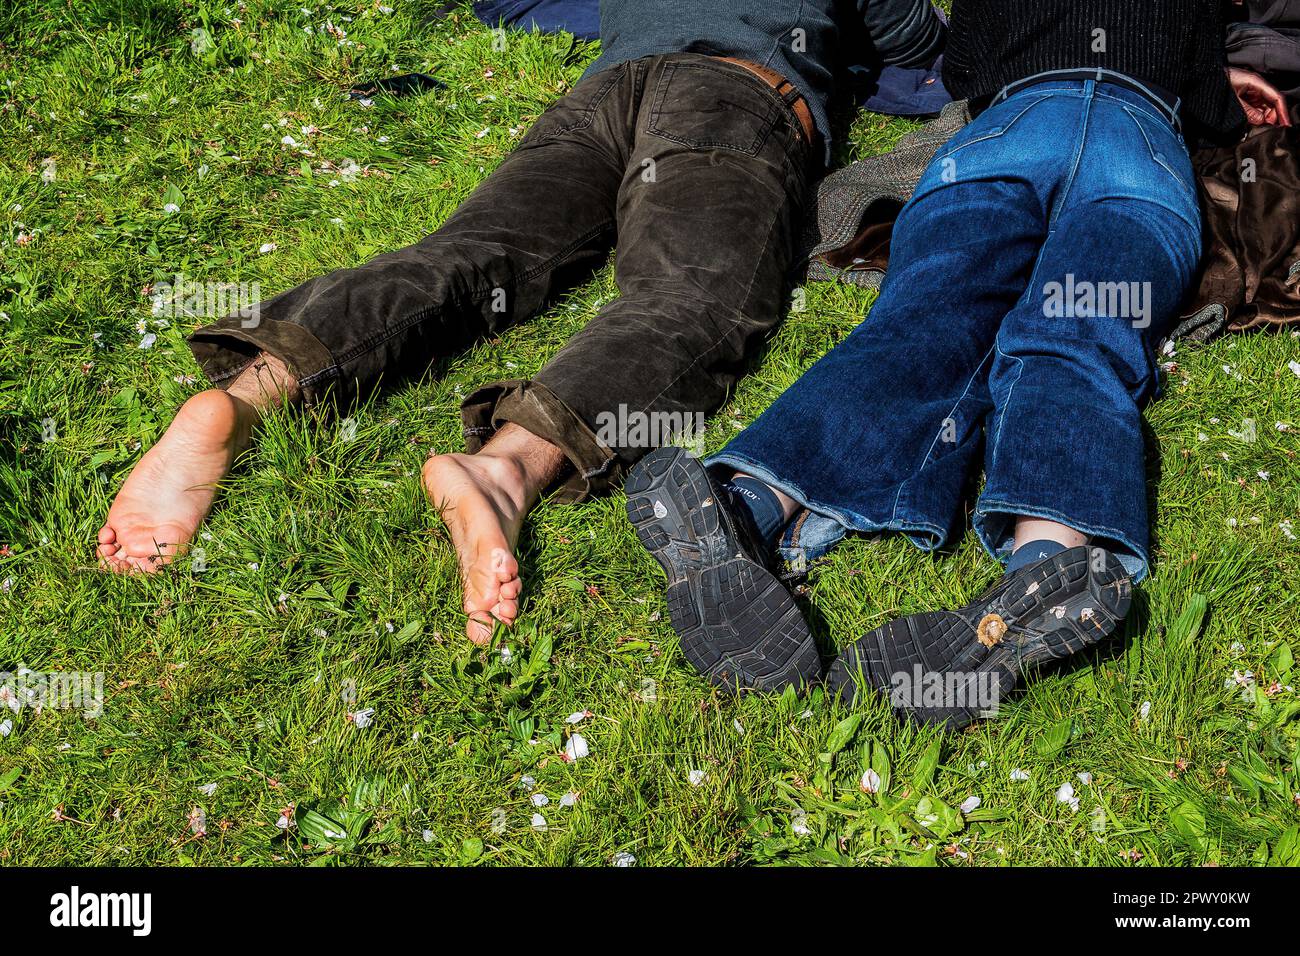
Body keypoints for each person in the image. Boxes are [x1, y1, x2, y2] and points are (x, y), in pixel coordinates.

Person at [96, 1, 946, 647]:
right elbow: (915, 42)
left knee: (471, 255)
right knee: (689, 299)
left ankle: (256, 390)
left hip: (603, 96)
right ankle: (507, 468)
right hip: (732, 99)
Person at [627, 0, 1292, 719]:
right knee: (1079, 333)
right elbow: (1217, 116)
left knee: (927, 316)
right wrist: (1221, 87)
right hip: (1141, 144)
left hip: (1012, 126)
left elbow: (964, 72)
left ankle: (751, 504)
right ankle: (1047, 563)